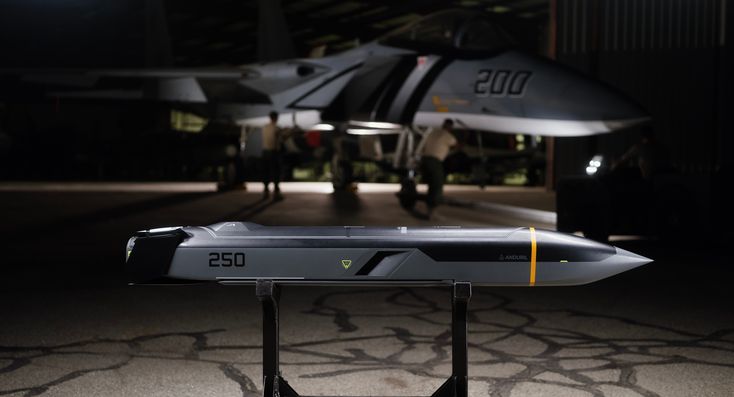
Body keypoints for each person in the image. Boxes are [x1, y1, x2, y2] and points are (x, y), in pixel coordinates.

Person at [420, 119, 458, 218]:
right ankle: (431, 211)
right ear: (450, 127)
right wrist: (467, 136)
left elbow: (424, 147)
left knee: (432, 185)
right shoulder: (447, 136)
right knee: (437, 185)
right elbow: (456, 145)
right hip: (434, 161)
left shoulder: (433, 132)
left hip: (424, 160)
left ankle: (430, 209)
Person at [261, 111, 284, 199]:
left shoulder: (265, 127)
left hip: (265, 152)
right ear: (276, 118)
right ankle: (276, 193)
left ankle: (266, 191)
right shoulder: (277, 128)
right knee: (275, 172)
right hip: (273, 152)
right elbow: (282, 138)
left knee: (265, 172)